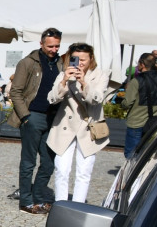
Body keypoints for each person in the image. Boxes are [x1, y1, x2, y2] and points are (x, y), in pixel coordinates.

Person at [7, 28, 63, 214]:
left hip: (53, 118)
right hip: (33, 115)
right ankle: (26, 200)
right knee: (29, 161)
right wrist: (26, 116)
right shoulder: (28, 63)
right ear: (41, 44)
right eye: (50, 46)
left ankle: (39, 197)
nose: (54, 49)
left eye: (57, 46)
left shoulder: (61, 63)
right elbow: (15, 92)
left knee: (48, 162)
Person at [45, 43, 109, 203]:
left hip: (88, 127)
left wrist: (84, 83)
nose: (79, 63)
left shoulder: (101, 75)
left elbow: (96, 99)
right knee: (61, 169)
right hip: (65, 126)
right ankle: (61, 204)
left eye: (83, 59)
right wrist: (64, 81)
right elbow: (52, 98)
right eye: (76, 59)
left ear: (91, 59)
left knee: (84, 171)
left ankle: (78, 205)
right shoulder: (64, 75)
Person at [122, 52, 157, 159]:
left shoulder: (136, 81)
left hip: (136, 121)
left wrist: (123, 100)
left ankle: (130, 175)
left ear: (142, 64)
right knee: (146, 154)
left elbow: (127, 103)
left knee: (131, 153)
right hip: (154, 120)